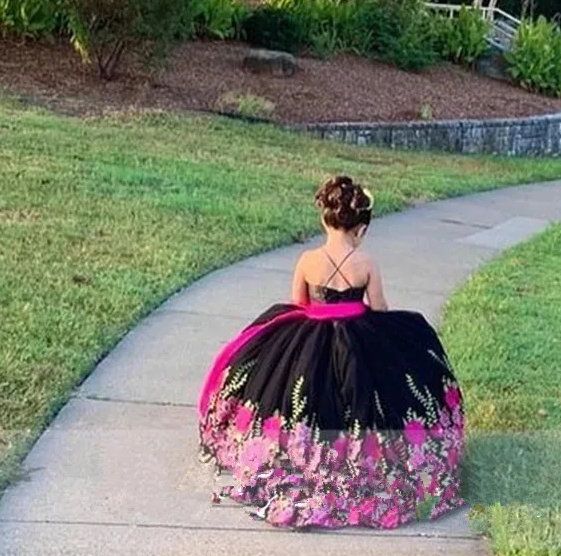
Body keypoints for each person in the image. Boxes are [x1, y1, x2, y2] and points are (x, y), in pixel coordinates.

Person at [198, 175, 464, 529]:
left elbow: (298, 303)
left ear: (324, 218)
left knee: (305, 397)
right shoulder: (366, 262)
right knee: (365, 397)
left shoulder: (308, 259)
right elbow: (380, 308)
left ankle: (293, 455)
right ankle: (368, 460)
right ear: (360, 227)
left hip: (311, 335)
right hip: (358, 335)